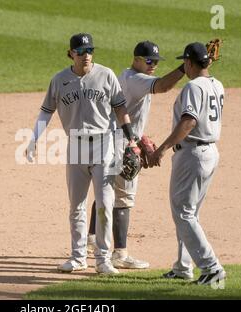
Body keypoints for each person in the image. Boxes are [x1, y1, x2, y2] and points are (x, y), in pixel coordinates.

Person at [26, 33, 138, 274]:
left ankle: (103, 259)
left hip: (104, 145)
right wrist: (34, 137)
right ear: (71, 53)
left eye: (89, 51)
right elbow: (47, 111)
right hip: (75, 145)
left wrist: (131, 140)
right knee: (76, 206)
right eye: (81, 51)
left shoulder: (106, 75)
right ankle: (78, 257)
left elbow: (120, 109)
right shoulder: (59, 80)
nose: (86, 55)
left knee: (105, 205)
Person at [87, 41, 185, 269]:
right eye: (149, 61)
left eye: (157, 62)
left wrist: (140, 137)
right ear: (137, 58)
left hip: (113, 138)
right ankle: (120, 253)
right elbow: (162, 86)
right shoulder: (137, 80)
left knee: (107, 190)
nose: (153, 66)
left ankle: (91, 238)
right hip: (123, 144)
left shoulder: (126, 75)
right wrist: (184, 68)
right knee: (124, 198)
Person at [149, 42, 226, 285]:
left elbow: (189, 122)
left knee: (183, 213)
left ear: (189, 63)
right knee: (189, 212)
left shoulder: (193, 87)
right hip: (209, 152)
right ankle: (183, 266)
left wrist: (161, 149)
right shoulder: (217, 84)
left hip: (193, 154)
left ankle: (211, 268)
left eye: (185, 62)